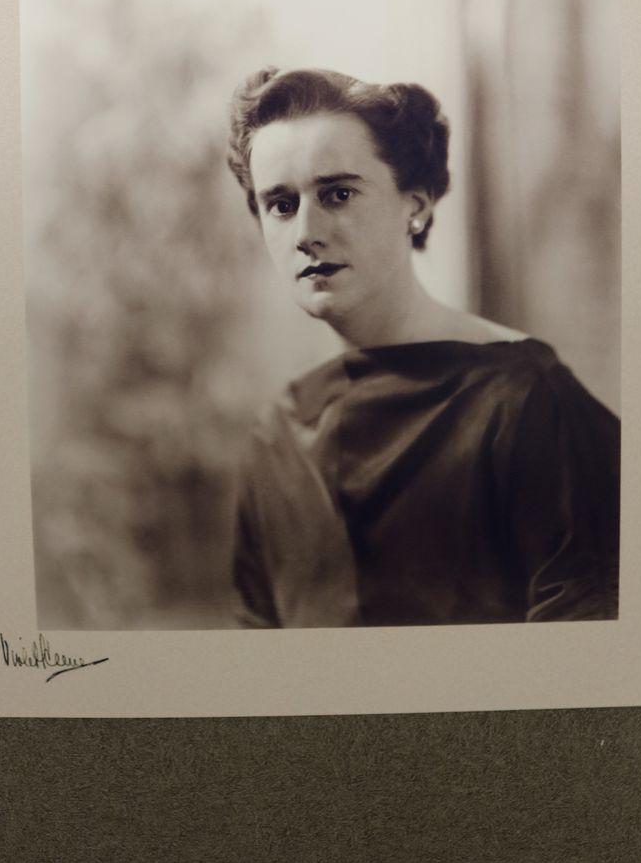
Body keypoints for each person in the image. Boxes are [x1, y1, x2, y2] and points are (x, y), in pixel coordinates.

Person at [226, 66, 620, 628]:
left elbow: (590, 654)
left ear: (416, 206)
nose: (306, 232)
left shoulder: (527, 403)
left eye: (338, 194)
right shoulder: (280, 436)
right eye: (281, 205)